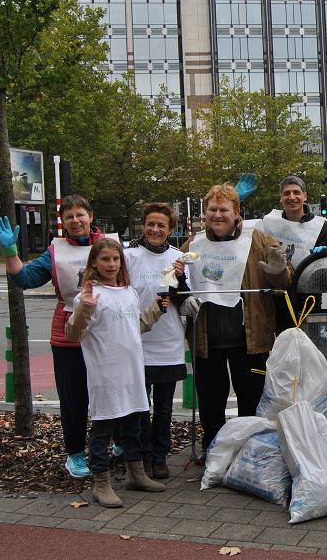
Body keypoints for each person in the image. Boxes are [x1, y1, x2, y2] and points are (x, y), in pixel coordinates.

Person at [0, 195, 113, 479]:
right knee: (74, 398)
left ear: (91, 216)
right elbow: (25, 278)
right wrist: (10, 250)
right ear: (63, 222)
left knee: (110, 391)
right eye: (68, 216)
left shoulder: (110, 243)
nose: (75, 220)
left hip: (107, 331)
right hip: (68, 334)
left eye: (80, 214)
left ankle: (116, 444)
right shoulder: (55, 251)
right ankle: (75, 453)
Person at [182, 184, 293, 453]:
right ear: (204, 213)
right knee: (210, 403)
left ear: (236, 212)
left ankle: (249, 453)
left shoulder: (259, 240)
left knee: (251, 401)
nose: (217, 215)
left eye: (224, 209)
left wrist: (279, 271)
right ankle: (214, 450)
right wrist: (181, 296)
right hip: (208, 340)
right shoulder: (194, 244)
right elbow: (171, 277)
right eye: (212, 210)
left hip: (251, 340)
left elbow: (285, 282)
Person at [64, 238, 171, 508]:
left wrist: (156, 310)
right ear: (94, 264)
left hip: (132, 373)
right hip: (106, 376)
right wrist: (84, 307)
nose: (111, 264)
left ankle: (137, 474)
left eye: (116, 259)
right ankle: (102, 484)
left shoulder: (128, 292)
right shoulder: (87, 297)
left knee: (134, 426)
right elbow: (74, 334)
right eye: (105, 260)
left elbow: (134, 326)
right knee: (103, 429)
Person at [124, 203, 190, 479]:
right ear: (143, 224)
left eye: (161, 225)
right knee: (140, 405)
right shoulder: (129, 256)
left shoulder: (178, 258)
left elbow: (184, 300)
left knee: (163, 406)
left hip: (168, 342)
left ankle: (160, 455)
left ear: (170, 229)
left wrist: (180, 279)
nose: (155, 229)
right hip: (136, 340)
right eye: (151, 224)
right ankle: (140, 458)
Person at [259, 175, 327, 269]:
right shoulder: (268, 222)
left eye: (296, 193)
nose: (292, 197)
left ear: (305, 196)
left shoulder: (323, 226)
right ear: (280, 198)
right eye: (286, 193)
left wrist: (325, 255)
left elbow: (326, 266)